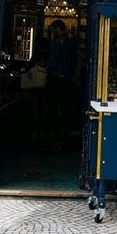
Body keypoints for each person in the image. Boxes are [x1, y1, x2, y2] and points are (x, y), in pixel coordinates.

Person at [45, 19, 78, 150]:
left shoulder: (58, 43)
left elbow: (52, 62)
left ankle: (55, 137)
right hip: (67, 80)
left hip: (56, 80)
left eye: (53, 29)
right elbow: (74, 60)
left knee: (53, 108)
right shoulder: (71, 42)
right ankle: (65, 136)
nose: (52, 32)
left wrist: (47, 67)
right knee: (65, 108)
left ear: (57, 28)